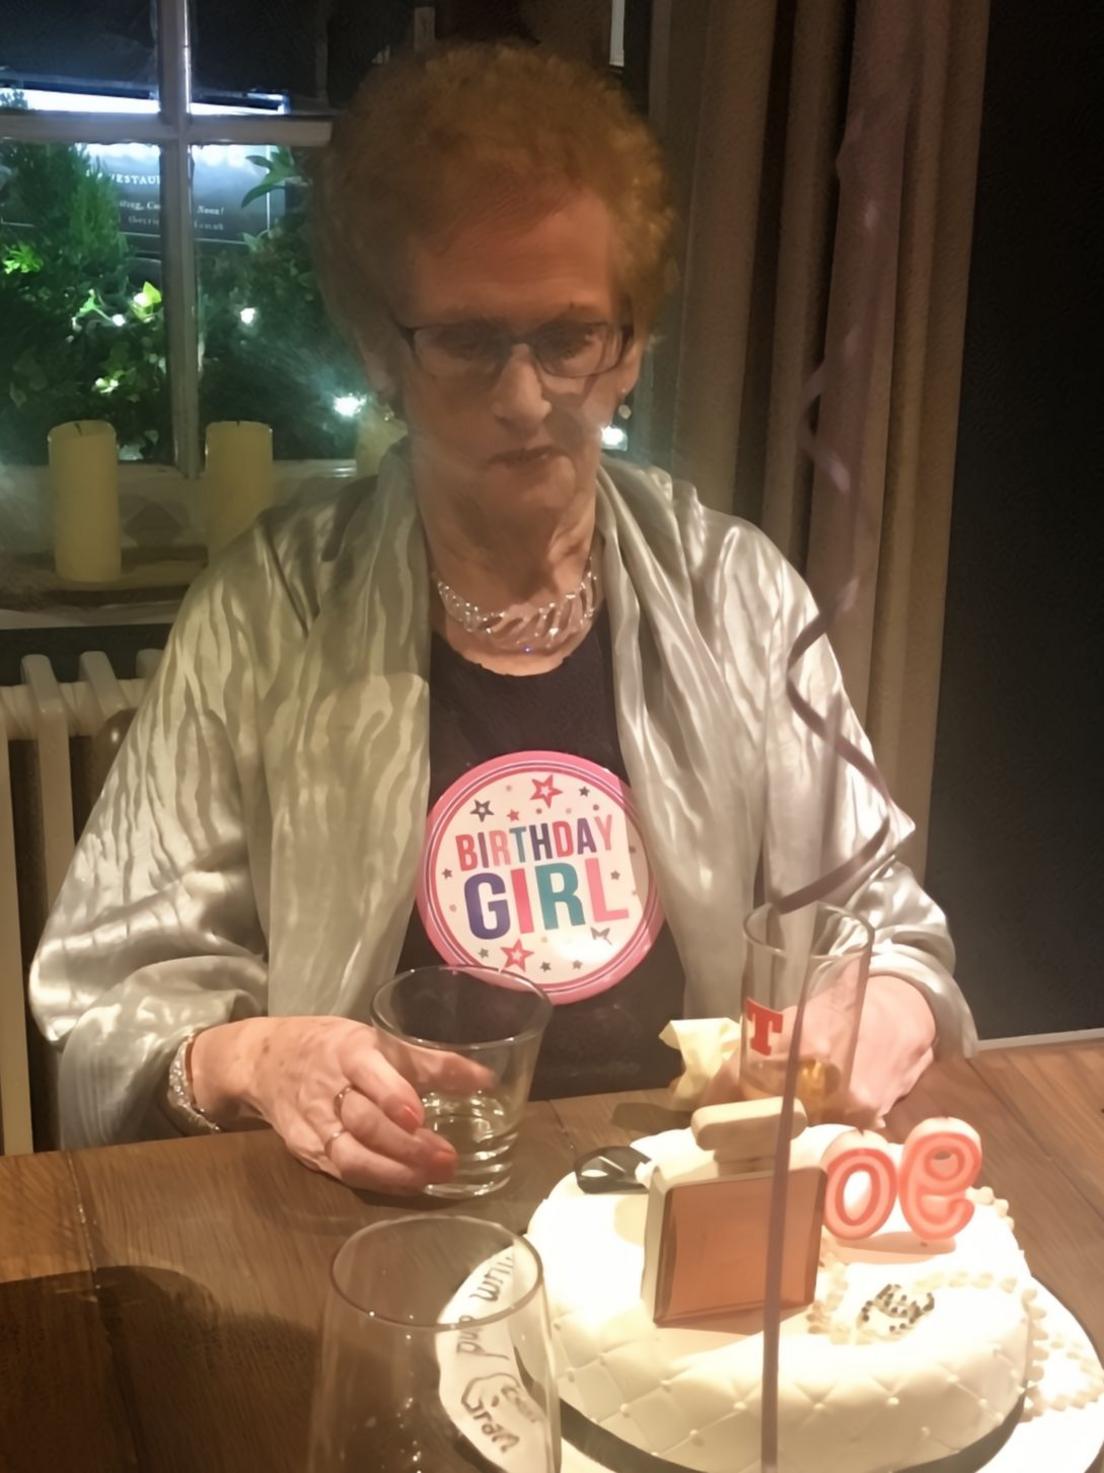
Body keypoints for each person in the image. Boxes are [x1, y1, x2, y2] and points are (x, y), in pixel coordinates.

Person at [29, 43, 975, 1195]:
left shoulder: (734, 591)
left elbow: (884, 924)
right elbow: (115, 1007)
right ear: (383, 346)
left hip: (683, 1204)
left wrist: (882, 996)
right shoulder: (265, 613)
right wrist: (258, 1056)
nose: (528, 400)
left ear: (629, 349)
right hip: (373, 1210)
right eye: (471, 341)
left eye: (570, 336)